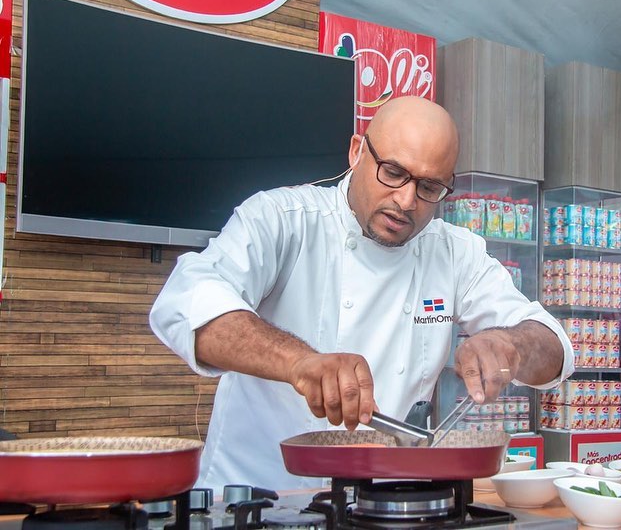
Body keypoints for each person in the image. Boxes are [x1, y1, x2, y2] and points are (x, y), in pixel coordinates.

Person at [149, 96, 574, 491]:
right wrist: (299, 362)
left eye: (429, 188)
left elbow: (553, 346)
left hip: (383, 501)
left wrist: (510, 346)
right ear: (356, 152)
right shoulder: (283, 218)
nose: (406, 201)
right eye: (392, 172)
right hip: (259, 492)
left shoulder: (455, 253)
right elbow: (186, 302)